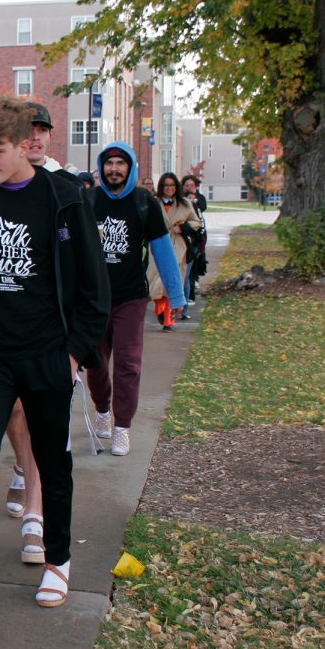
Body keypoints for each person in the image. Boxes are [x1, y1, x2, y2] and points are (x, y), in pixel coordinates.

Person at [0, 97, 109, 632]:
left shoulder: (64, 200)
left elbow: (93, 288)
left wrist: (74, 355)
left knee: (52, 462)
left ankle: (58, 561)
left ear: (23, 145)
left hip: (47, 355)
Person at [85, 142, 186, 457]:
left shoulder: (144, 203)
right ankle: (103, 409)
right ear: (102, 167)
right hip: (94, 298)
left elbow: (163, 252)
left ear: (130, 168)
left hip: (131, 297)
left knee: (128, 363)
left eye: (120, 163)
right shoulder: (89, 200)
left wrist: (176, 293)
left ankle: (122, 428)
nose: (114, 169)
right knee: (96, 362)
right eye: (109, 163)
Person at [148, 172, 202, 330]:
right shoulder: (154, 202)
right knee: (156, 278)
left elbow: (196, 222)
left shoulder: (185, 203)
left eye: (172, 185)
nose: (169, 189)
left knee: (173, 279)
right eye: (166, 186)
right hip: (157, 244)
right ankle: (160, 308)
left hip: (177, 245)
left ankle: (168, 320)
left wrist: (183, 227)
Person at [180, 174, 209, 305]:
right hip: (180, 238)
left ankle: (190, 294)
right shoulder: (179, 199)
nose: (189, 188)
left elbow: (202, 212)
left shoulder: (199, 199)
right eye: (186, 185)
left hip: (195, 238)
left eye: (191, 185)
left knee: (191, 269)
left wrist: (194, 200)